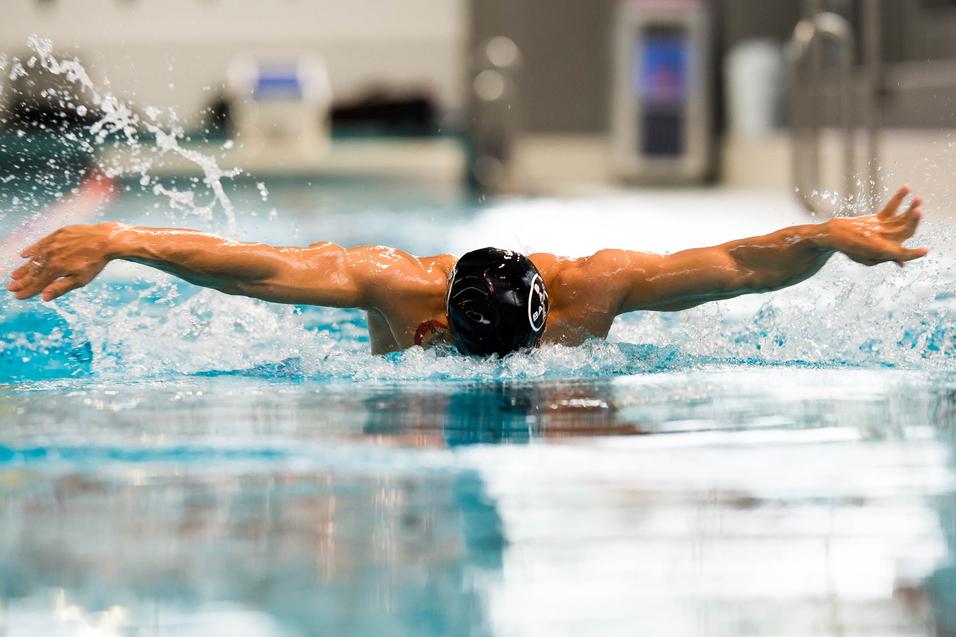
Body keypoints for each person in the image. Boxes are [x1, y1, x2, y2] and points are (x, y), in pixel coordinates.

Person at [6, 185, 928, 356]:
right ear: (433, 320)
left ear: (546, 322)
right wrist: (125, 238)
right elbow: (254, 266)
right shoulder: (386, 278)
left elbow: (735, 264)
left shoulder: (595, 287)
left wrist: (820, 236)